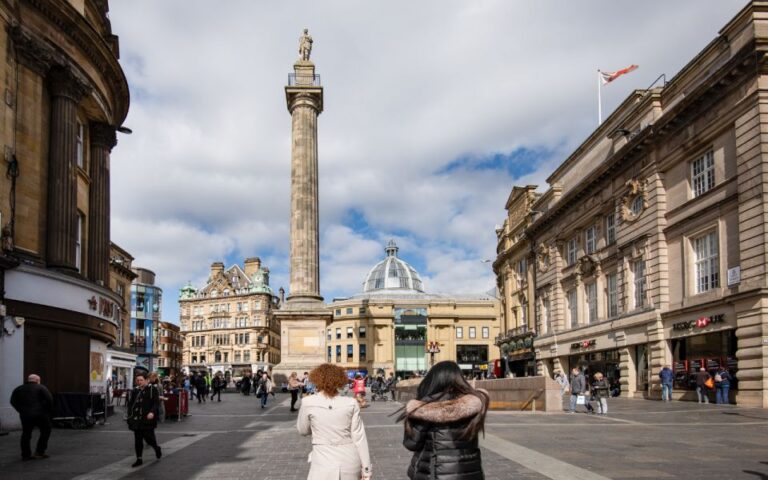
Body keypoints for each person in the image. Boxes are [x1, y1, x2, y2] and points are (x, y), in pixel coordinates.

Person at [397, 361, 489, 480]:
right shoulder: (472, 404)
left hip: (435, 474)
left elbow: (411, 443)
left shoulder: (426, 407)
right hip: (471, 473)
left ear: (433, 380)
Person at [297, 363, 372, 480]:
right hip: (349, 461)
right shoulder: (351, 403)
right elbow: (359, 438)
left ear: (317, 380)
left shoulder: (307, 402)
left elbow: (302, 430)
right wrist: (366, 469)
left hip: (322, 462)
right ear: (340, 381)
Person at [10, 374, 53, 460]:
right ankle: (39, 452)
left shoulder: (18, 389)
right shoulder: (41, 388)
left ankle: (25, 455)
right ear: (37, 380)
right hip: (40, 414)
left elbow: (12, 401)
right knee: (46, 430)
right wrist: (46, 411)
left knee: (26, 434)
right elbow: (50, 400)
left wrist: (20, 410)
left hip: (25, 415)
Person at [126, 373, 162, 468]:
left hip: (148, 419)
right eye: (137, 380)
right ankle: (139, 459)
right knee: (138, 440)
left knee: (149, 439)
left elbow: (156, 403)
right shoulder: (135, 391)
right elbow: (130, 404)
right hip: (137, 419)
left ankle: (156, 448)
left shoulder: (152, 389)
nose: (139, 382)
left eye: (141, 380)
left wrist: (152, 412)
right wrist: (129, 414)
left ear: (146, 380)